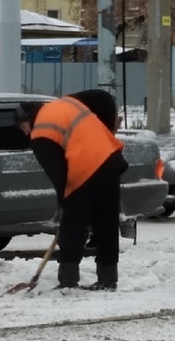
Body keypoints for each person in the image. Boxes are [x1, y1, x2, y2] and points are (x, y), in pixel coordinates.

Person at [16, 90, 128, 291]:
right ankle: (108, 279)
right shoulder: (64, 104)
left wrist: (64, 201)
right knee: (106, 224)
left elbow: (57, 172)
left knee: (72, 226)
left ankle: (68, 281)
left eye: (23, 127)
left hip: (87, 168)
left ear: (28, 120)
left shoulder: (41, 130)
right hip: (111, 160)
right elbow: (101, 97)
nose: (25, 133)